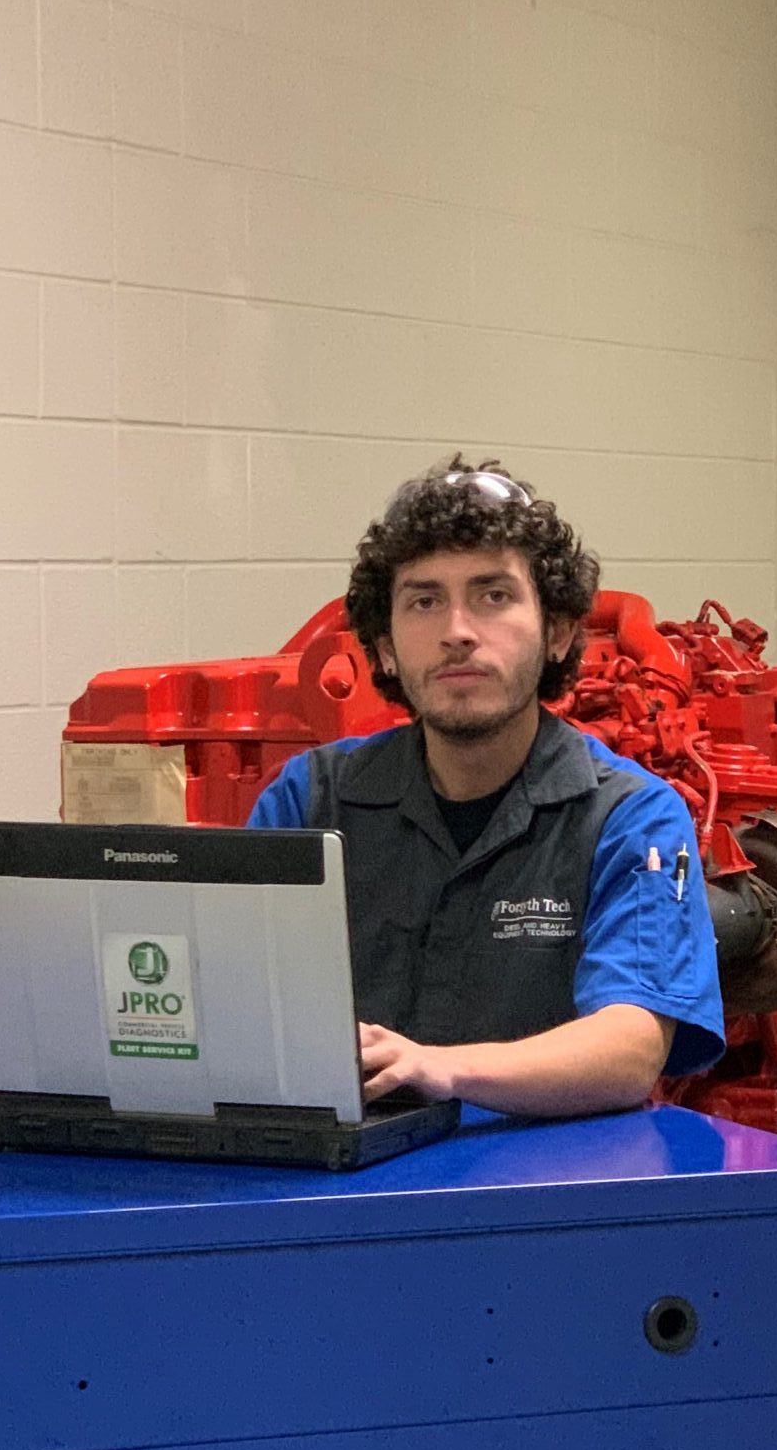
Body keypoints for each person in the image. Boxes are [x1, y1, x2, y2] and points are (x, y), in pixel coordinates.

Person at [247, 458, 725, 1118]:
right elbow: (240, 1005)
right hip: (343, 1190)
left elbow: (632, 1048)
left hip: (541, 1192)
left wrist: (439, 1068)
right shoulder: (309, 802)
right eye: (424, 600)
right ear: (384, 647)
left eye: (493, 595)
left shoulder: (629, 818)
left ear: (557, 632)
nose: (457, 632)